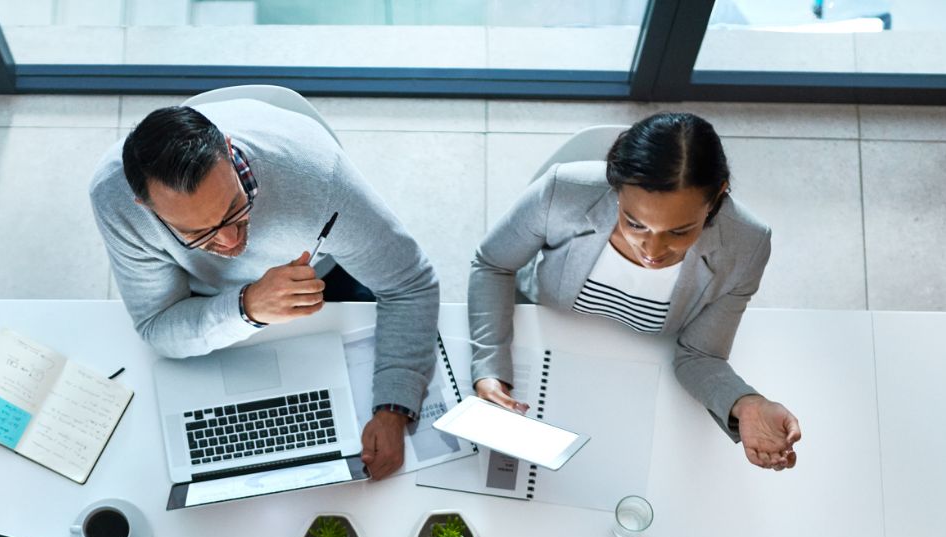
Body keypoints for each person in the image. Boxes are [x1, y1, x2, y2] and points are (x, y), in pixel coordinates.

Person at [88, 100, 441, 479]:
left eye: (235, 208)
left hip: (320, 278)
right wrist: (248, 307)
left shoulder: (319, 175)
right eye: (197, 232)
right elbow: (157, 326)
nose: (228, 240)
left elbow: (409, 283)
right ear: (144, 206)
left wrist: (393, 406)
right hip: (208, 301)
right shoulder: (114, 200)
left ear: (226, 147)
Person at [469, 111, 801, 471]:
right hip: (543, 332)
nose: (653, 251)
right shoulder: (561, 192)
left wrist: (746, 402)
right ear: (615, 187)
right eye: (634, 222)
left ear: (717, 195)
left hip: (638, 368)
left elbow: (700, 355)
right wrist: (490, 367)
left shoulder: (747, 245)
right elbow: (493, 264)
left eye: (679, 231)